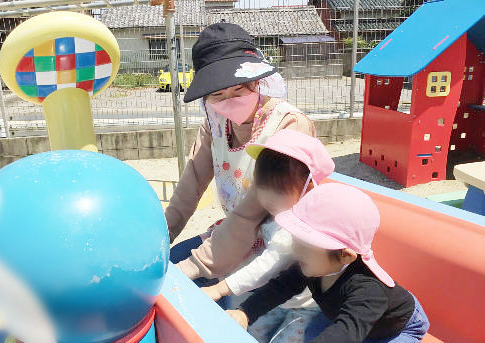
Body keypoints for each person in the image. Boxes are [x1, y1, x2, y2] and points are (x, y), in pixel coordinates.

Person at [166, 22, 315, 292]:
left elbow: (253, 211)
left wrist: (196, 264)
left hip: (283, 246)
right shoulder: (214, 124)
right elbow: (191, 184)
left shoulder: (288, 124)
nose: (229, 100)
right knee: (167, 261)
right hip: (232, 236)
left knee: (196, 293)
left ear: (258, 81)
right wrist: (162, 236)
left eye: (239, 89)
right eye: (217, 94)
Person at [229, 183, 430, 343]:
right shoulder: (314, 266)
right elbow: (280, 287)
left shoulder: (368, 291)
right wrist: (245, 312)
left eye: (306, 246)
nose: (296, 250)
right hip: (351, 315)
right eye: (296, 241)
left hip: (398, 327)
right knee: (310, 336)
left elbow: (347, 334)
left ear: (346, 256)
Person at [201, 129, 334, 342]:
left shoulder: (299, 226)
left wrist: (219, 289)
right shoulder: (278, 210)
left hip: (307, 307)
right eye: (262, 185)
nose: (266, 198)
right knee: (251, 332)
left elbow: (267, 264)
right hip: (277, 299)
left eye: (279, 190)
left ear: (308, 187)